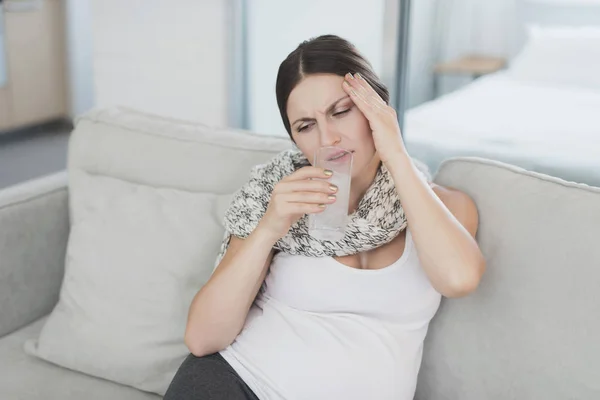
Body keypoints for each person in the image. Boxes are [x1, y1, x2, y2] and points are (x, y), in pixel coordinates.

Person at [164, 34, 485, 400]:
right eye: (305, 126)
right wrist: (269, 228)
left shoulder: (443, 205)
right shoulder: (276, 196)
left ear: (375, 107)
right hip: (237, 383)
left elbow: (459, 279)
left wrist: (395, 154)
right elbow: (203, 338)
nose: (328, 138)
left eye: (341, 111)